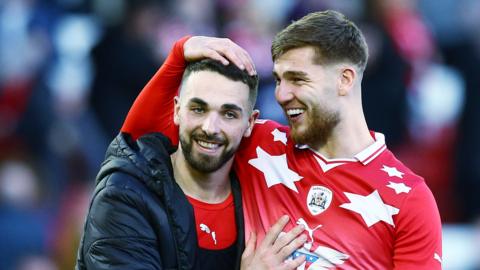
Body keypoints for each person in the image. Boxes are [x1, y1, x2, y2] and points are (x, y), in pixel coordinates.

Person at [122, 10, 443, 269]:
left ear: (345, 80)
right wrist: (179, 55)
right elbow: (138, 145)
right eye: (277, 79)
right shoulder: (258, 142)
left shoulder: (407, 200)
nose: (281, 95)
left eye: (297, 79)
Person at [76, 36, 308, 270]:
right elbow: (133, 136)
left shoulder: (254, 195)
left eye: (229, 114)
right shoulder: (124, 196)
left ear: (250, 123)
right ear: (177, 110)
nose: (210, 128)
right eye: (198, 109)